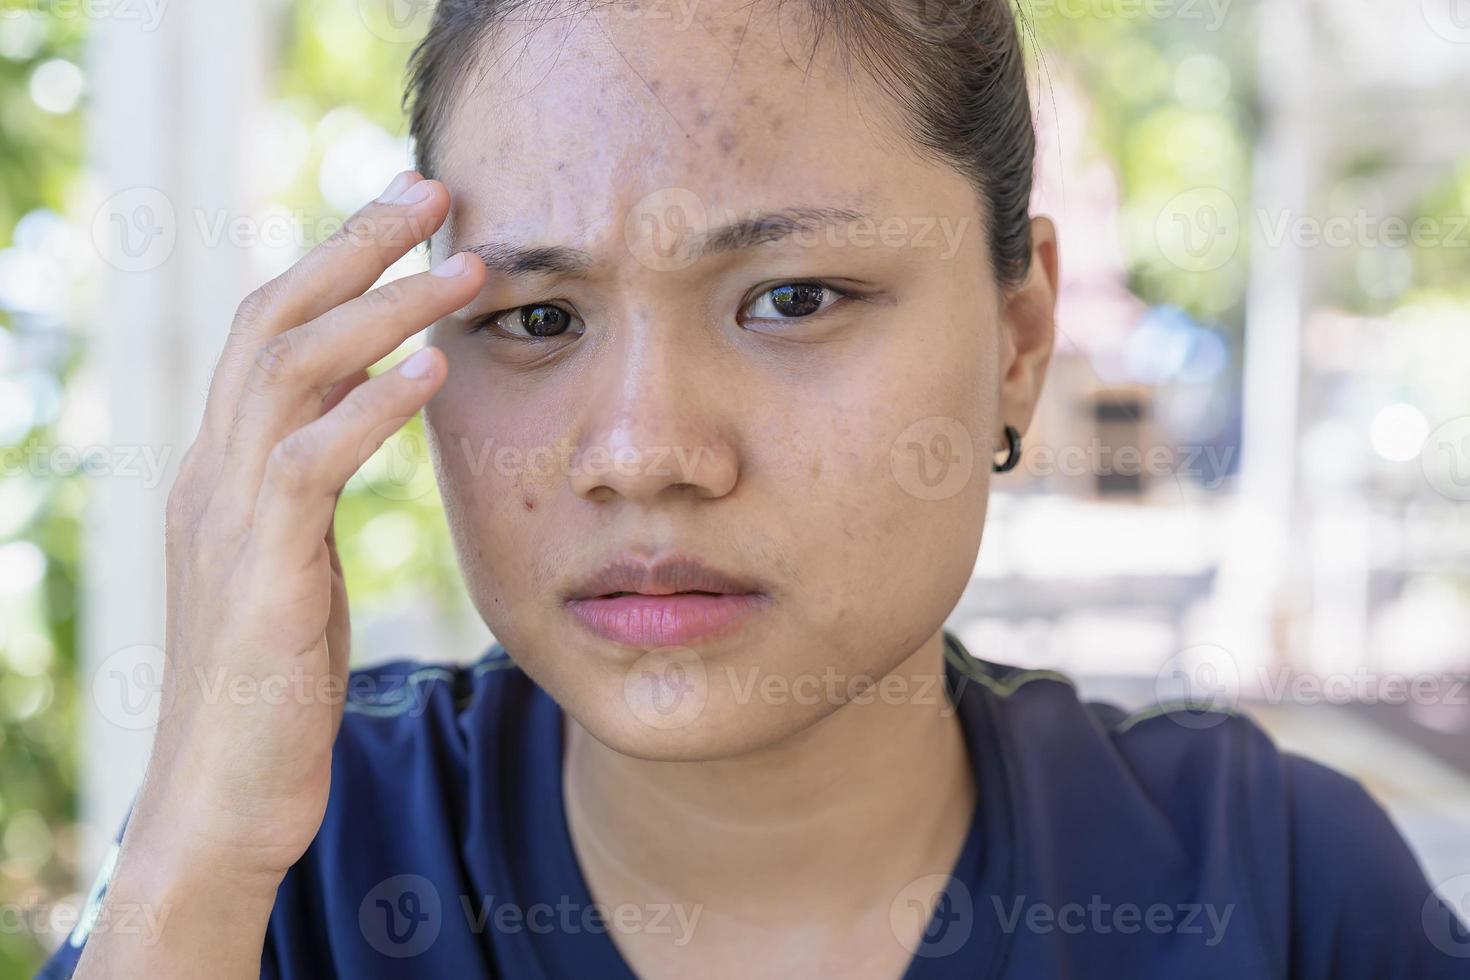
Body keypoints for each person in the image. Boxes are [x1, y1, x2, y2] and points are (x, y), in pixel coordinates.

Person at [43, 0, 1470, 977]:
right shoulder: (300, 865)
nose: (644, 450)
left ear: (1020, 339)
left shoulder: (1265, 887)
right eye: (535, 318)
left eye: (792, 296)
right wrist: (193, 854)